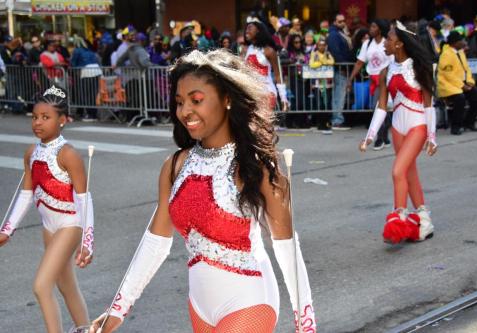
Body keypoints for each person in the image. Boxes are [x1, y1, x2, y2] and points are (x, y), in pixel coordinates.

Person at [89, 49, 316, 333]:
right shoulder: (175, 166)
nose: (185, 111)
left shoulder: (257, 169)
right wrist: (118, 309)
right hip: (200, 307)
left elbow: (287, 251)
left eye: (196, 100)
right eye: (180, 102)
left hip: (250, 302)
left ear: (227, 99)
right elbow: (155, 242)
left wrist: (306, 325)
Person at [0, 85, 95, 332]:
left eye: (46, 117)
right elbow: (26, 193)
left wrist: (88, 240)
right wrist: (7, 229)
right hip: (48, 227)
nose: (38, 123)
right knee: (66, 285)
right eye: (35, 117)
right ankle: (85, 328)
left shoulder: (68, 154)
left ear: (62, 120)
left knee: (41, 286)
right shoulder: (31, 152)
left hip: (69, 224)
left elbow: (85, 199)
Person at [359, 21, 437, 244]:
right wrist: (370, 135)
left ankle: (399, 216)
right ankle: (424, 219)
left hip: (417, 126)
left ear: (400, 44)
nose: (385, 42)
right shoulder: (386, 70)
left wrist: (432, 136)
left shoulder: (420, 68)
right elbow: (382, 106)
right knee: (409, 173)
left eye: (390, 39)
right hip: (397, 128)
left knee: (397, 171)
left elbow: (429, 105)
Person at [348, 19, 392, 150]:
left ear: (380, 29)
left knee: (376, 107)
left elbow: (392, 62)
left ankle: (379, 139)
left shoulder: (387, 43)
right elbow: (360, 62)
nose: (370, 29)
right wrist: (350, 78)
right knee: (382, 109)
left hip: (384, 79)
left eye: (373, 26)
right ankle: (385, 137)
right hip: (372, 80)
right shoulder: (367, 44)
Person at [437, 31, 477, 135]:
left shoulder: (461, 52)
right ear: (454, 43)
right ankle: (455, 126)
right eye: (461, 40)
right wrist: (462, 86)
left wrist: (470, 82)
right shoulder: (446, 54)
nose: (464, 42)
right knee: (460, 98)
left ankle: (469, 123)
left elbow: (467, 69)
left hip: (461, 84)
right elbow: (448, 75)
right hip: (448, 85)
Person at [242, 18, 289, 111]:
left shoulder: (269, 51)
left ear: (258, 31)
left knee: (263, 124)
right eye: (246, 29)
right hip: (252, 94)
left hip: (266, 93)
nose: (247, 31)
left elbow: (278, 75)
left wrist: (284, 99)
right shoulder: (247, 49)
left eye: (250, 28)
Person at [327, 13, 353, 130]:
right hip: (340, 69)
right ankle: (337, 120)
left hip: (343, 68)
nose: (342, 23)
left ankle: (337, 118)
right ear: (334, 22)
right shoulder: (334, 34)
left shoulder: (340, 33)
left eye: (343, 21)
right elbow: (335, 52)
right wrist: (343, 67)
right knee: (339, 95)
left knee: (340, 94)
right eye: (339, 21)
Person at [70, 36, 102, 122]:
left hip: (86, 71)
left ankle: (90, 114)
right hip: (96, 70)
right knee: (93, 94)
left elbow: (73, 63)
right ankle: (94, 114)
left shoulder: (77, 51)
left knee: (86, 94)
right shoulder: (89, 50)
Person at [309, 38, 335, 131]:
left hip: (327, 83)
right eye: (320, 45)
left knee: (327, 103)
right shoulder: (314, 54)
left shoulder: (328, 54)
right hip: (317, 83)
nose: (322, 47)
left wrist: (323, 62)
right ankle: (320, 123)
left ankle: (326, 123)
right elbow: (311, 64)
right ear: (317, 46)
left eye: (323, 45)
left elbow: (332, 62)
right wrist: (320, 63)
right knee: (319, 104)